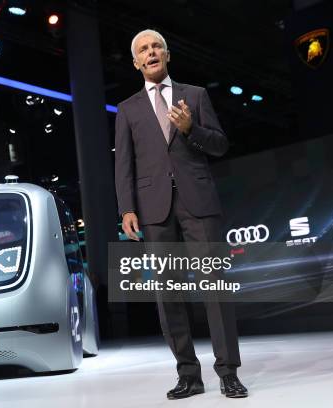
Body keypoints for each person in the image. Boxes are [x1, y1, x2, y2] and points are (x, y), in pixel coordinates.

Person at [114, 29, 248, 399]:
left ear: (167, 55)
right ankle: (188, 374)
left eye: (156, 46)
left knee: (215, 290)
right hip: (154, 210)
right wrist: (126, 207)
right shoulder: (127, 110)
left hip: (198, 203)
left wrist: (191, 130)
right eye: (143, 49)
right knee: (169, 295)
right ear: (137, 62)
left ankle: (228, 373)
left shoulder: (196, 95)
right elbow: (123, 165)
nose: (151, 52)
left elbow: (219, 145)